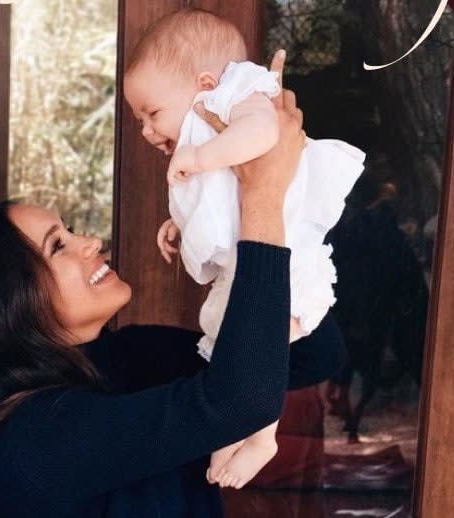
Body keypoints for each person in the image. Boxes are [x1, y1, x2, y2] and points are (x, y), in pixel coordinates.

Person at [0, 51, 345, 517]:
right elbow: (241, 400)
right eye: (58, 246)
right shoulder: (31, 441)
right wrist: (261, 195)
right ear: (8, 304)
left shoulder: (130, 357)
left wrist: (235, 224)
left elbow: (312, 355)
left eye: (71, 229)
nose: (90, 242)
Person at [123, 8, 364, 486]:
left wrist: (200, 155)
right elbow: (222, 199)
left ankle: (260, 435)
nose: (148, 131)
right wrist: (179, 222)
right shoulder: (207, 127)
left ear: (206, 82)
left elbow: (263, 134)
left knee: (261, 343)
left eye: (152, 113)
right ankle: (238, 429)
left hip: (286, 254)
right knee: (233, 346)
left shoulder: (241, 94)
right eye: (139, 121)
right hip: (251, 257)